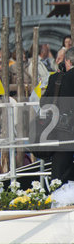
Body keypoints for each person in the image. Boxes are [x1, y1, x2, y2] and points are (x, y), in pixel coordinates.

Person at [40, 47, 74, 182]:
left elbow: (44, 104)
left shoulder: (56, 78)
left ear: (67, 61)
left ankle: (61, 199)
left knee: (60, 175)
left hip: (63, 130)